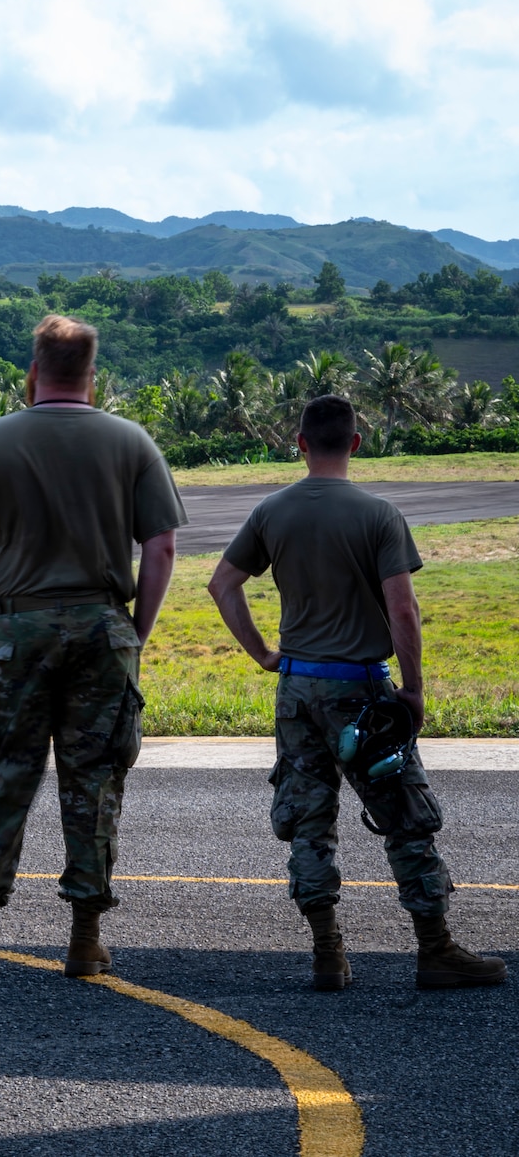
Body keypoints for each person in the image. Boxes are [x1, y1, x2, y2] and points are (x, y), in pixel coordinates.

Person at [207, 394, 505, 991]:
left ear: (300, 444)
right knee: (404, 817)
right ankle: (435, 948)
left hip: (297, 689)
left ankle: (327, 952)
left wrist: (266, 655)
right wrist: (414, 690)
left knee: (308, 821)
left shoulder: (272, 511)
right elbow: (403, 609)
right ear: (357, 442)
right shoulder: (378, 514)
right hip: (362, 692)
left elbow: (223, 585)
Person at [0, 315, 184, 977]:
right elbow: (160, 546)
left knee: (2, 778)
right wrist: (137, 627)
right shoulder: (132, 442)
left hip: (15, 631)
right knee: (95, 783)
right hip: (102, 626)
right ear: (91, 373)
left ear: (34, 369)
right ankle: (83, 937)